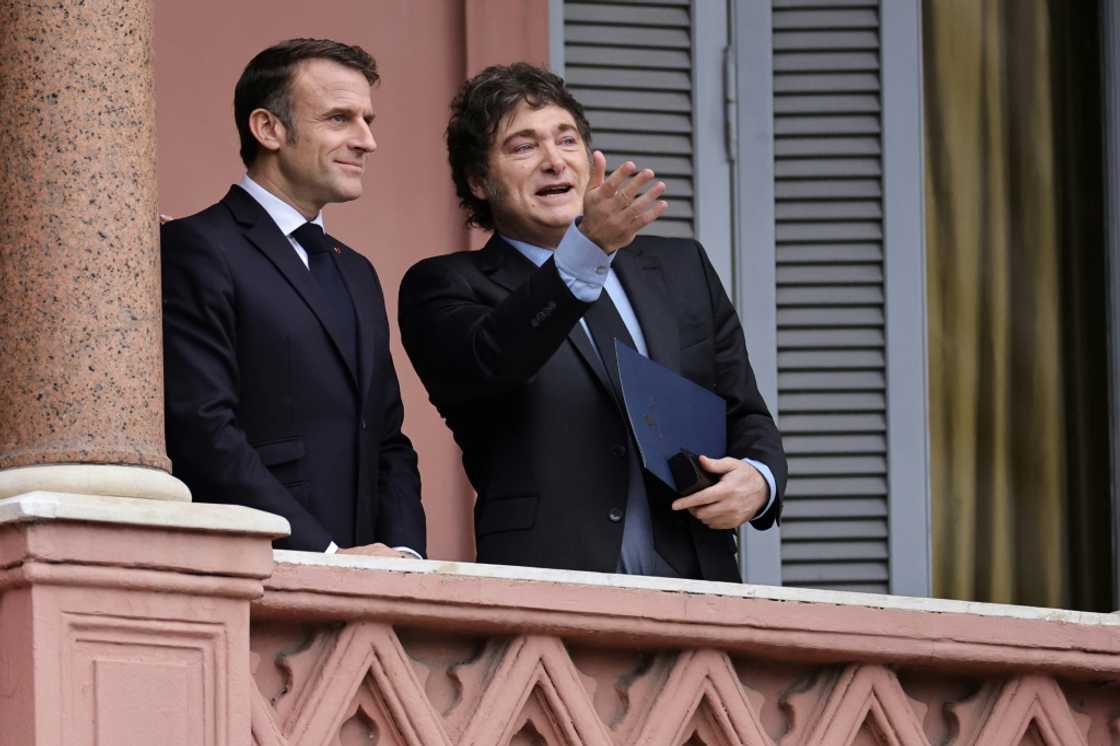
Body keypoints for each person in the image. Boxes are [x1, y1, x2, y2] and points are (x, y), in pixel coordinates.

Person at [398, 63, 784, 581]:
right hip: (548, 587)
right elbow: (490, 362)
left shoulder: (682, 268)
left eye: (567, 140)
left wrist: (759, 481)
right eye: (523, 147)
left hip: (699, 581)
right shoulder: (444, 284)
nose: (554, 162)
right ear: (479, 181)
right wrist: (586, 252)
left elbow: (745, 413)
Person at [161, 39, 425, 558]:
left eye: (368, 119)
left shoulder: (358, 271)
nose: (367, 140)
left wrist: (404, 556)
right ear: (269, 129)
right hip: (261, 573)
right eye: (339, 118)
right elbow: (202, 428)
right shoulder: (194, 246)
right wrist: (321, 552)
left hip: (372, 580)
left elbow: (388, 439)